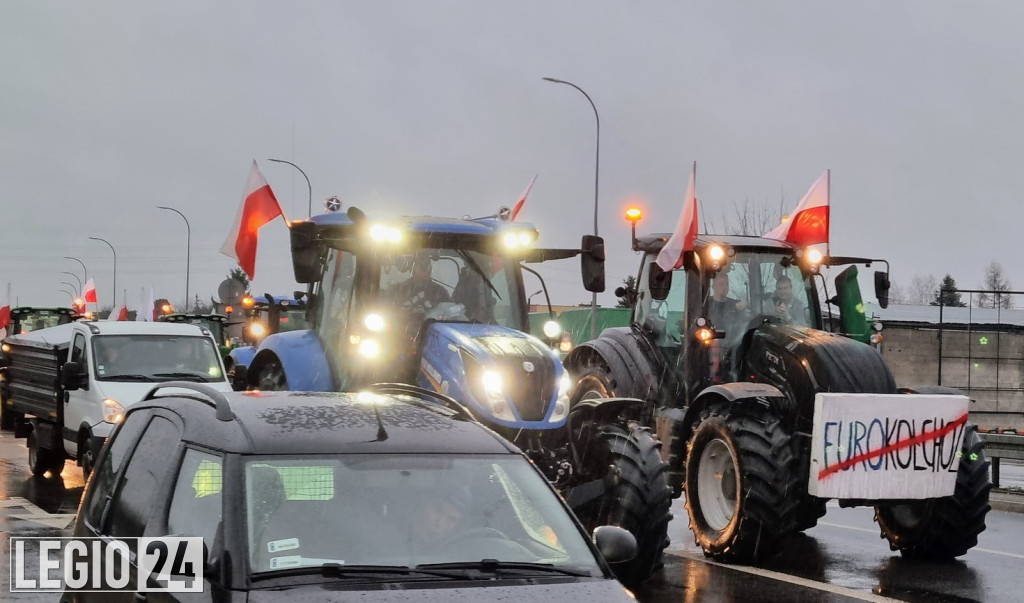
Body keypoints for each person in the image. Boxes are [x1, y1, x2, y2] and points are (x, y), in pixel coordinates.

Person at [389, 251, 451, 316]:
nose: (425, 269)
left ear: (431, 269)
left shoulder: (440, 292)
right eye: (421, 265)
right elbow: (387, 313)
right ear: (413, 269)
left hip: (432, 326)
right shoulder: (397, 290)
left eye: (427, 265)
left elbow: (450, 314)